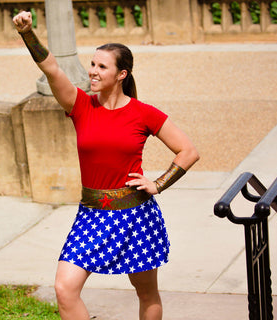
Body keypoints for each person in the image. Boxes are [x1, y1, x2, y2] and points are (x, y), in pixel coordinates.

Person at [13, 11, 199, 320]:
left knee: (146, 293)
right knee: (64, 288)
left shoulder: (143, 114)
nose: (93, 72)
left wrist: (158, 183)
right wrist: (27, 33)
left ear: (122, 74)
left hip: (136, 216)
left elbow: (188, 151)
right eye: (92, 64)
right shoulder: (80, 105)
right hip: (91, 215)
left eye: (102, 66)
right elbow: (51, 68)